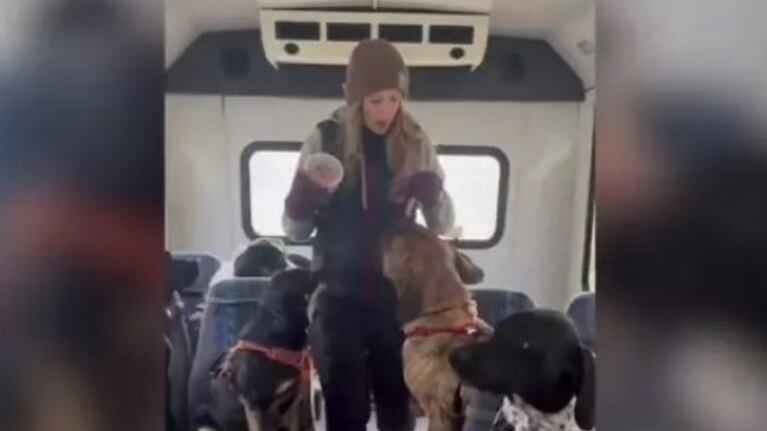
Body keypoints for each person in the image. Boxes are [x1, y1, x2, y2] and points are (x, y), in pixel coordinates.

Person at [282, 39, 455, 431]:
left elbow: (442, 226)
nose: (385, 111)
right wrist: (300, 202)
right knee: (348, 409)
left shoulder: (416, 141)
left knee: (398, 407)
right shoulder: (325, 138)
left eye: (394, 99)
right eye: (375, 100)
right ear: (355, 99)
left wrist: (434, 195)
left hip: (395, 299)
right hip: (336, 296)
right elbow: (293, 230)